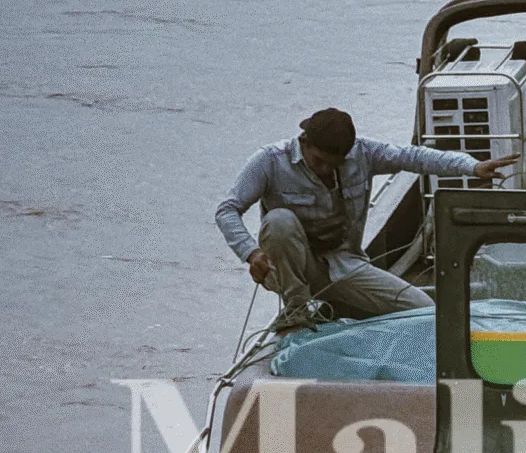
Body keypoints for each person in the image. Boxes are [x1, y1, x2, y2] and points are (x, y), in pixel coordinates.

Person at [215, 107, 509, 329]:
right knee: (278, 221)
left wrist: (471, 166)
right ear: (303, 141)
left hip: (345, 264)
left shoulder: (364, 153)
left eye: (335, 165)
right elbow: (227, 209)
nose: (325, 170)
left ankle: (339, 307)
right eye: (318, 162)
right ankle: (296, 307)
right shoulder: (269, 161)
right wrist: (250, 253)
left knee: (423, 310)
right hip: (291, 270)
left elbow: (413, 157)